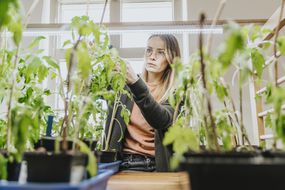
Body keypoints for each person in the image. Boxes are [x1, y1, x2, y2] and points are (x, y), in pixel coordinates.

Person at [105, 34, 181, 172]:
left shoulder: (175, 93)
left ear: (172, 58)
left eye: (161, 52)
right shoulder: (124, 85)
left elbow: (160, 120)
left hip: (158, 167)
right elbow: (92, 90)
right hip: (124, 165)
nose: (152, 56)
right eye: (149, 50)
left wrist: (135, 83)